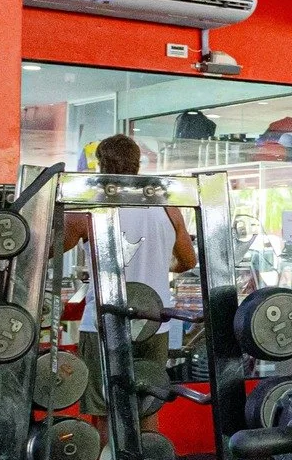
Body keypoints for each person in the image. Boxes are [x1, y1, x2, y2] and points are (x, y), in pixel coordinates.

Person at [65, 134, 199, 352]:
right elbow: (188, 262)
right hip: (153, 325)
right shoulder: (169, 210)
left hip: (102, 325)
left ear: (101, 165)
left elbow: (47, 252)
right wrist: (157, 265)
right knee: (150, 375)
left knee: (99, 377)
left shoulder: (88, 211)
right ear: (137, 164)